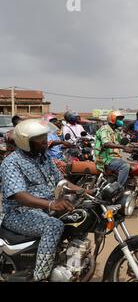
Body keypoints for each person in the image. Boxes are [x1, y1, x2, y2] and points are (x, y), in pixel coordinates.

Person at [0, 119, 90, 281]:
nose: (45, 141)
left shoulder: (44, 157)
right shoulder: (11, 163)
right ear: (26, 142)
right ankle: (40, 275)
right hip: (18, 213)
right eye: (40, 139)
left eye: (45, 136)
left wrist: (84, 190)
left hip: (43, 209)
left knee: (79, 218)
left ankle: (73, 265)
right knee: (53, 226)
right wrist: (51, 203)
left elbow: (60, 180)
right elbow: (18, 195)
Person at [94, 110, 133, 187]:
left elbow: (123, 142)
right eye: (119, 119)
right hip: (104, 158)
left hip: (114, 158)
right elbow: (106, 143)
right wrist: (123, 147)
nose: (121, 121)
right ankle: (118, 189)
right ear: (113, 119)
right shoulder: (105, 129)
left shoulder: (115, 131)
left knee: (132, 166)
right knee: (125, 166)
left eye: (121, 119)